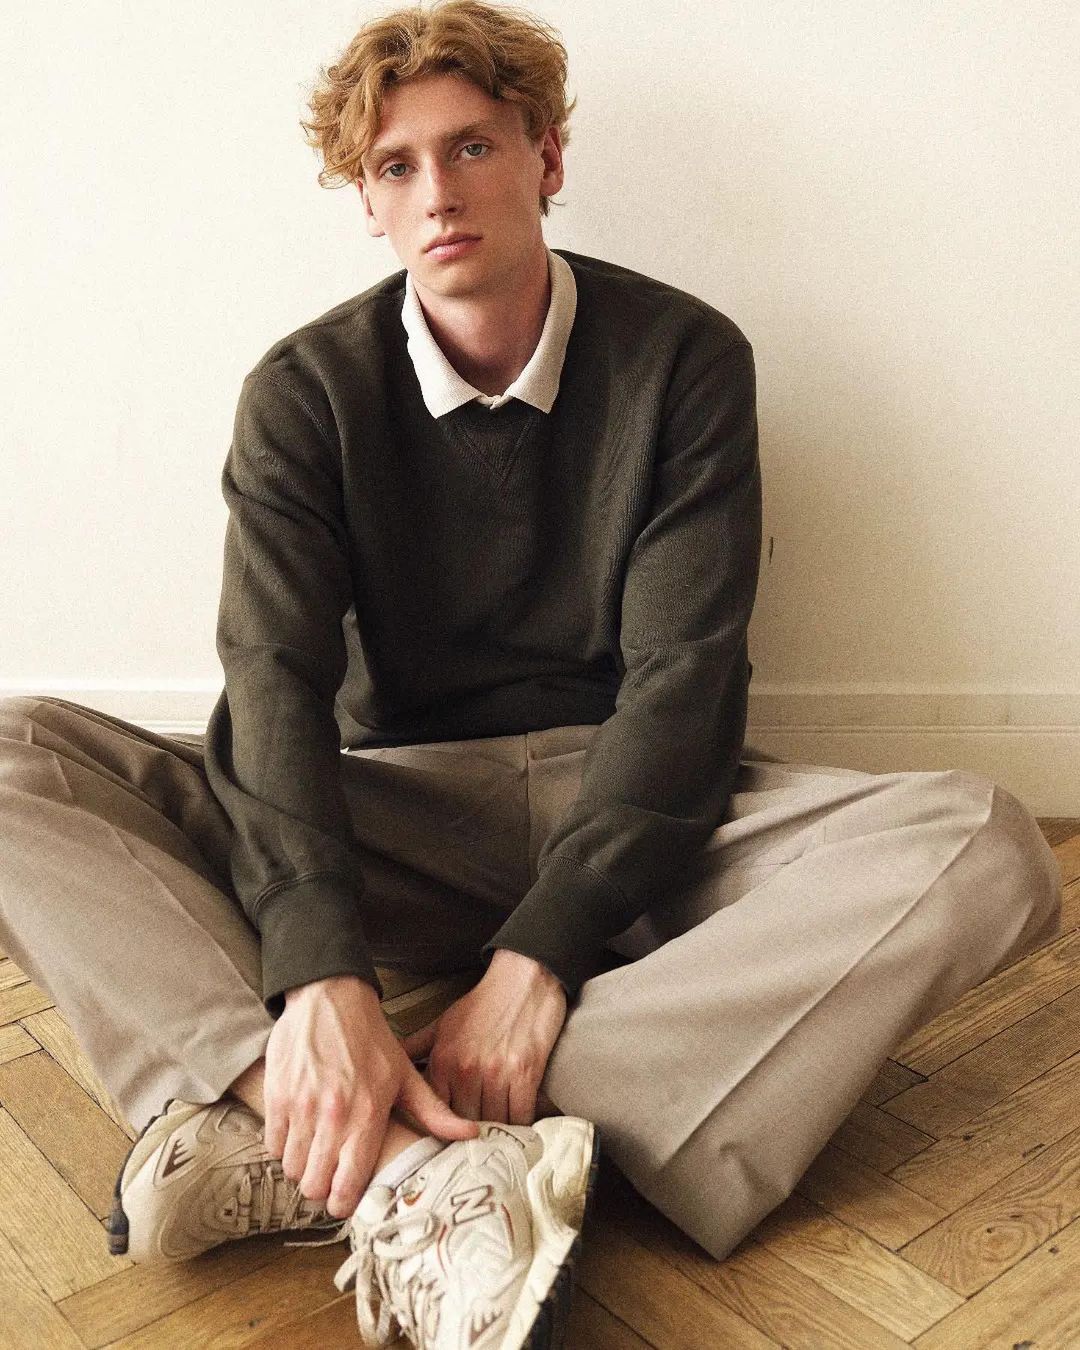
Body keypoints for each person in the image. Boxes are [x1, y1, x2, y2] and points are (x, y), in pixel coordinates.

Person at [0, 2, 1063, 1347]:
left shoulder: (684, 359)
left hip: (634, 811)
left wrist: (540, 957)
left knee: (986, 845)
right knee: (14, 753)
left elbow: (683, 689)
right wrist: (320, 972)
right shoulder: (304, 393)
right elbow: (271, 684)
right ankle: (373, 1138)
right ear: (367, 202)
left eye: (472, 147)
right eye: (395, 167)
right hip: (397, 807)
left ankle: (331, 1137)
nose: (437, 193)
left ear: (546, 157)